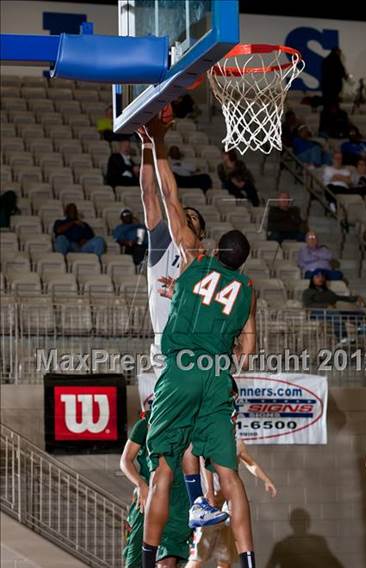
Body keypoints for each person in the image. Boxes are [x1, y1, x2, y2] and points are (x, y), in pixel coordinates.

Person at [140, 116, 257, 568]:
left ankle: (154, 554)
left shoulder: (192, 261)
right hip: (217, 376)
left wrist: (158, 144)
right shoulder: (247, 290)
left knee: (162, 468)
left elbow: (169, 198)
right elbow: (247, 348)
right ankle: (242, 554)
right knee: (229, 475)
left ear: (209, 245)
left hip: (181, 367)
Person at [137, 121, 227, 529]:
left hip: (194, 354)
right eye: (181, 215)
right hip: (167, 349)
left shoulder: (202, 264)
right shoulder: (161, 242)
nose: (181, 218)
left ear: (198, 232)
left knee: (184, 439)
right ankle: (185, 504)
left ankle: (197, 500)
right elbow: (152, 194)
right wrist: (148, 147)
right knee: (167, 450)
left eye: (189, 218)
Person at [187, 381, 277, 568]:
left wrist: (266, 480)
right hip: (211, 507)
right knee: (196, 560)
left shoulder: (235, 440)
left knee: (225, 560)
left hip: (228, 508)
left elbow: (250, 463)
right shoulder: (210, 430)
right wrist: (210, 492)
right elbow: (204, 462)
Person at [120, 411, 191, 568]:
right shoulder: (146, 423)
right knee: (135, 560)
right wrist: (140, 484)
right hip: (149, 494)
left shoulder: (191, 420)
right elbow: (125, 460)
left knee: (168, 560)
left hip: (179, 499)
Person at [302, 270, 366, 343]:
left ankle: (362, 328)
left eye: (322, 277)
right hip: (315, 313)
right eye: (317, 277)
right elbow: (308, 305)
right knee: (334, 314)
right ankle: (342, 338)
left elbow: (338, 298)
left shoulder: (327, 292)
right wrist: (325, 305)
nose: (320, 279)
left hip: (330, 312)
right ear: (312, 279)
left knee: (357, 313)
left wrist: (355, 298)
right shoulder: (308, 292)